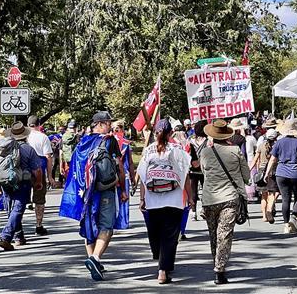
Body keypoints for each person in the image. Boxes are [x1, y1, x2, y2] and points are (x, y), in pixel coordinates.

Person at [59, 111, 128, 281]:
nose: (110, 126)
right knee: (106, 225)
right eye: (108, 122)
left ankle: (93, 263)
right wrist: (123, 189)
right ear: (100, 124)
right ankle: (95, 258)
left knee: (89, 225)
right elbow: (119, 165)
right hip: (106, 189)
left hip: (86, 192)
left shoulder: (82, 142)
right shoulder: (109, 140)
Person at [137, 119, 192, 284]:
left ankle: (161, 264)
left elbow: (142, 177)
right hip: (174, 199)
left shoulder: (148, 151)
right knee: (170, 237)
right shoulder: (177, 149)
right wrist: (189, 196)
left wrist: (141, 199)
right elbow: (186, 176)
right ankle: (163, 270)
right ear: (171, 134)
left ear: (155, 133)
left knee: (156, 235)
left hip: (153, 200)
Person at [200, 119, 249, 285]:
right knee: (225, 235)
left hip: (209, 199)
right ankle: (219, 269)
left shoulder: (205, 152)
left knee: (213, 234)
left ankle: (217, 262)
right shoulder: (235, 150)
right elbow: (247, 176)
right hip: (229, 197)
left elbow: (204, 172)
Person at [0, 122, 43, 250]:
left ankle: (19, 236)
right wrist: (38, 183)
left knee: (10, 209)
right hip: (22, 183)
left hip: (5, 182)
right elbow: (37, 170)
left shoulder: (4, 148)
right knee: (17, 209)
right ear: (25, 136)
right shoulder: (29, 149)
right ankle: (6, 236)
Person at [265, 120, 297, 234]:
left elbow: (273, 159)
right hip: (296, 173)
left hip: (281, 173)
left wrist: (267, 173)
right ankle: (294, 217)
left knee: (285, 199)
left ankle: (286, 224)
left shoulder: (279, 143)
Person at [27, 115, 58, 235]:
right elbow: (48, 157)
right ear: (39, 125)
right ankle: (38, 225)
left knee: (20, 199)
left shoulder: (23, 136)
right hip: (39, 170)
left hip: (24, 170)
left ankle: (17, 228)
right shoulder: (43, 137)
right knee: (39, 199)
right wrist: (50, 176)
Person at [250, 128, 279, 223]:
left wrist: (249, 170)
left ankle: (264, 216)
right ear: (275, 138)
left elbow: (255, 159)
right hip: (272, 171)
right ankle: (269, 210)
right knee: (271, 193)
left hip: (261, 171)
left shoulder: (261, 146)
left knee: (263, 195)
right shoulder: (276, 146)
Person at [188, 120, 208, 221]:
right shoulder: (208, 141)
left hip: (192, 169)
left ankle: (193, 211)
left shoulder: (190, 140)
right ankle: (204, 209)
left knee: (193, 191)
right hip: (205, 169)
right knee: (206, 190)